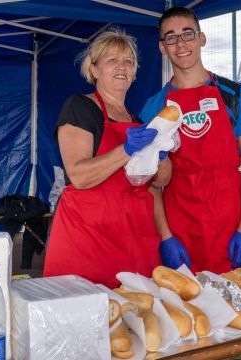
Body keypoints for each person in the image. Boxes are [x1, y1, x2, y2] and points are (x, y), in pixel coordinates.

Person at [141, 7, 241, 274]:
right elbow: (150, 182)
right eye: (171, 38)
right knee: (188, 310)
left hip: (232, 219)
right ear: (162, 47)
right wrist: (166, 237)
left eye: (188, 34)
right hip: (181, 225)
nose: (181, 44)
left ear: (202, 38)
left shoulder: (235, 95)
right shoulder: (154, 108)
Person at [44, 29, 167, 289]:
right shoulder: (79, 107)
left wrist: (161, 153)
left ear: (134, 73)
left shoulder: (137, 121)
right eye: (112, 60)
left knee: (133, 319)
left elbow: (160, 181)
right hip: (87, 238)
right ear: (95, 69)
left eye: (128, 61)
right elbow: (79, 176)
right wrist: (127, 149)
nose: (122, 67)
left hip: (133, 238)